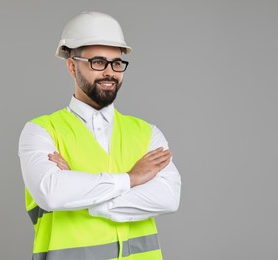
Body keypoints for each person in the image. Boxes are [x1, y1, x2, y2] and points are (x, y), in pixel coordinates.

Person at [18, 11, 181, 260]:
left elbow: (168, 198)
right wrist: (132, 178)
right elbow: (51, 194)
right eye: (98, 62)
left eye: (116, 63)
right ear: (72, 66)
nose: (110, 72)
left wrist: (84, 195)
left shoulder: (148, 132)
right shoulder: (40, 131)